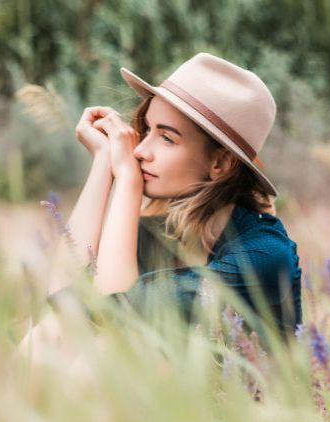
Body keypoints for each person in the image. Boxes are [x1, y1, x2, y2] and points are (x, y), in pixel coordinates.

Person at [42, 52, 302, 343]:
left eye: (167, 138)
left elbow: (113, 323)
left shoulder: (263, 255)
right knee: (48, 332)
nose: (140, 151)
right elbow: (61, 303)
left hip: (229, 389)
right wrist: (103, 161)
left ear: (220, 164)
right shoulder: (155, 234)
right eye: (147, 130)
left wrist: (127, 180)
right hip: (147, 385)